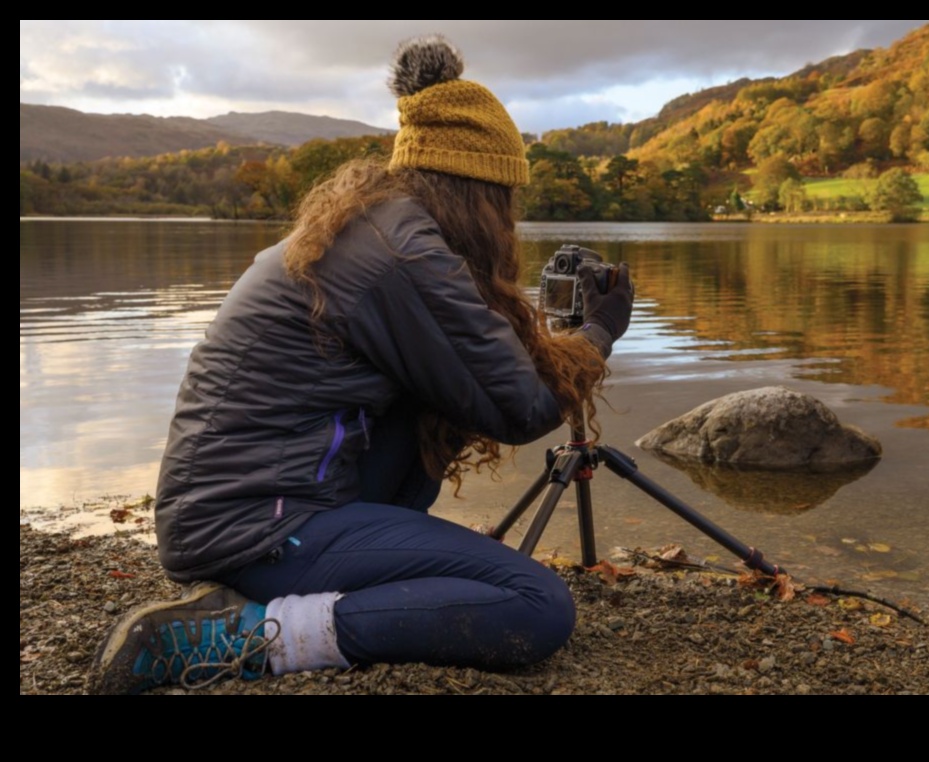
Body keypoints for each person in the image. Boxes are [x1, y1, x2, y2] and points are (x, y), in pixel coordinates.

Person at [91, 34, 634, 694]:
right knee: (535, 606)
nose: (508, 222)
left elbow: (476, 375)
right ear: (475, 190)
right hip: (254, 525)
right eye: (504, 201)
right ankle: (240, 638)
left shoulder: (378, 225)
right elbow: (519, 407)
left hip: (236, 510)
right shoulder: (401, 254)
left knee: (423, 417)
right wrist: (600, 332)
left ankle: (289, 589)